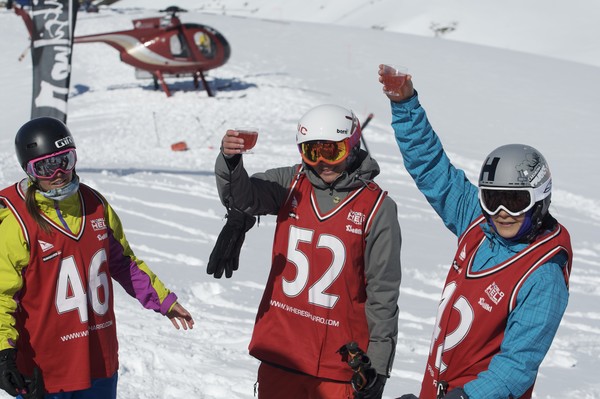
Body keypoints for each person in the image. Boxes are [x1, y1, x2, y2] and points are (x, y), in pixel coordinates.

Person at [377, 66, 573, 399]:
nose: (502, 213)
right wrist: (405, 105)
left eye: (515, 201)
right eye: (492, 198)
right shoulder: (477, 222)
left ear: (539, 200)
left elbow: (517, 367)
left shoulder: (543, 275)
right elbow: (431, 167)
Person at [214, 104, 402, 399]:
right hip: (282, 355)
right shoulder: (291, 183)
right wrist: (230, 161)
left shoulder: (377, 208)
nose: (324, 162)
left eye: (333, 151)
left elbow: (383, 294)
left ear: (352, 147)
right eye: (313, 152)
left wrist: (377, 366)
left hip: (339, 367)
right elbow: (244, 196)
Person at [0, 117, 195, 399]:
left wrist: (163, 300)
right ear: (29, 171)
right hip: (45, 368)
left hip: (98, 360)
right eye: (44, 166)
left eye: (65, 160)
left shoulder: (95, 206)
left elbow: (123, 262)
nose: (58, 172)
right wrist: (4, 351)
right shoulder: (17, 221)